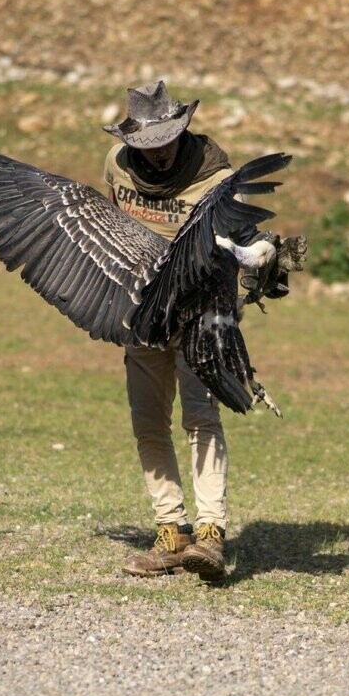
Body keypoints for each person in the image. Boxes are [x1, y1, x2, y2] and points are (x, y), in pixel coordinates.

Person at [101, 81, 234, 581]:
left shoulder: (216, 177)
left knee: (201, 417)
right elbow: (110, 227)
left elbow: (228, 251)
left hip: (199, 311)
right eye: (145, 146)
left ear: (181, 131)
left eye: (163, 142)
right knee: (148, 422)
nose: (155, 154)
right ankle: (170, 531)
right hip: (140, 314)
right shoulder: (117, 164)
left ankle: (210, 535)